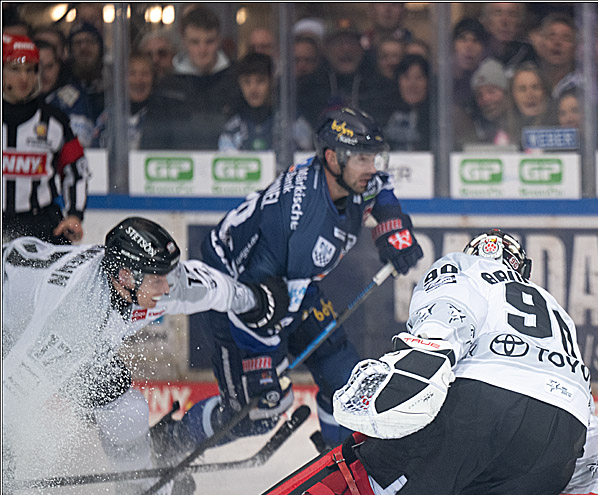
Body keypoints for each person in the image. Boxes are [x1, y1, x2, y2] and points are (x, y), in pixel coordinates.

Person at [205, 229, 598, 495]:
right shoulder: (557, 312)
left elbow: (446, 318)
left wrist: (412, 369)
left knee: (366, 481)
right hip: (561, 432)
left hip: (482, 403)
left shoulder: (465, 268)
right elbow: (586, 422)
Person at [152, 108, 423, 469]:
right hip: (235, 297)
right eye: (362, 158)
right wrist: (265, 362)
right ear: (332, 158)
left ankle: (340, 465)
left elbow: (381, 188)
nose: (371, 166)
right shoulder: (300, 224)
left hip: (290, 288)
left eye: (372, 157)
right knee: (256, 413)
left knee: (343, 375)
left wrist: (392, 227)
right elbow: (255, 303)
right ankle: (168, 443)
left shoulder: (348, 181)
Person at [1, 217, 289, 495]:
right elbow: (14, 388)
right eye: (157, 280)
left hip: (31, 287)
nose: (166, 288)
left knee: (128, 409)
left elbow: (209, 287)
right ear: (125, 276)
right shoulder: (72, 320)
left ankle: (135, 483)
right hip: (11, 327)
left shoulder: (144, 280)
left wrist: (255, 300)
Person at [2, 33, 87, 245]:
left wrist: (75, 215)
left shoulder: (55, 121)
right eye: (14, 69)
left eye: (30, 70)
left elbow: (76, 170)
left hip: (42, 227)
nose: (24, 78)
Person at [141, 5, 238, 150]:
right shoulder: (167, 87)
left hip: (229, 168)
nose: (202, 50)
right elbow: (151, 143)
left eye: (209, 41)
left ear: (219, 40)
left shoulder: (237, 80)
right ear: (184, 41)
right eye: (195, 42)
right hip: (177, 169)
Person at [95, 52, 156, 150]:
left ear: (153, 79)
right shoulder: (109, 115)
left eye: (145, 74)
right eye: (132, 73)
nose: (138, 80)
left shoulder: (161, 115)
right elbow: (94, 150)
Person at [453, 57, 515, 149]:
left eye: (491, 91)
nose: (485, 99)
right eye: (479, 95)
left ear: (508, 92)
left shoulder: (522, 124)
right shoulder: (474, 129)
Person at [374, 54, 431, 152]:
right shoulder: (381, 111)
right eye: (406, 77)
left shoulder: (436, 116)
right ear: (398, 80)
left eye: (418, 77)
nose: (412, 84)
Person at [480, 2, 537, 75]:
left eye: (512, 14)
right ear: (486, 20)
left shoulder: (528, 53)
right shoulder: (476, 52)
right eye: (498, 13)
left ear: (520, 23)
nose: (504, 21)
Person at [451, 17, 487, 114]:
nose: (469, 47)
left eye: (475, 40)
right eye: (463, 39)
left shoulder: (486, 85)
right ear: (453, 45)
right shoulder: (442, 83)